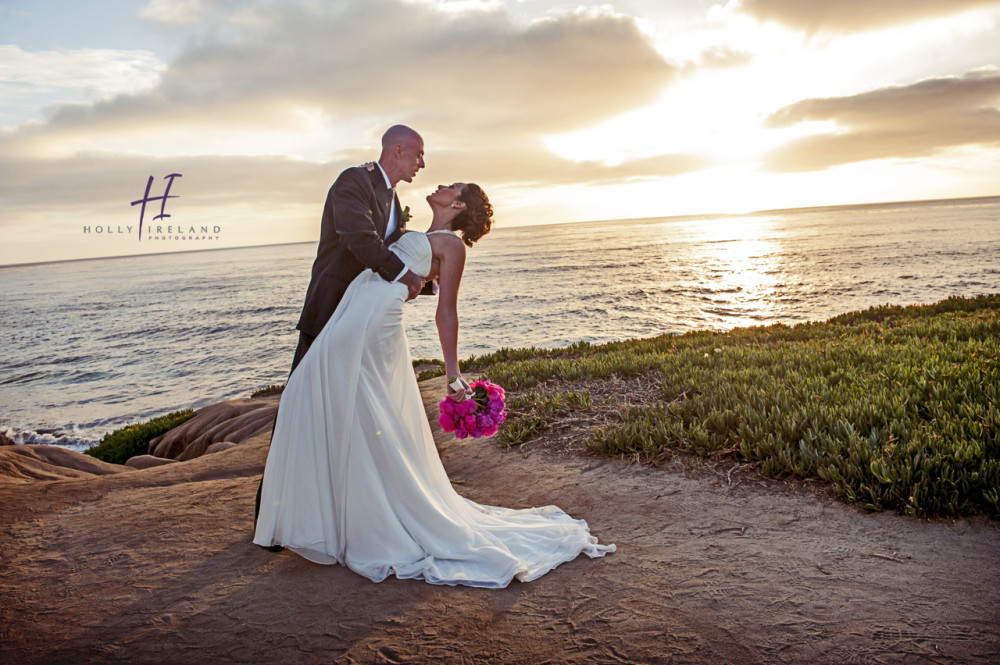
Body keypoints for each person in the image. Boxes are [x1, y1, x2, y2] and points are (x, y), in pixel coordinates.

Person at [253, 183, 615, 588]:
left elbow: (447, 312)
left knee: (323, 393)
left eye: (452, 188)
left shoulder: (453, 246)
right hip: (354, 313)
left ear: (458, 205)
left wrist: (452, 372)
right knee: (331, 400)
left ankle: (368, 519)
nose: (441, 185)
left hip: (372, 323)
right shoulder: (423, 234)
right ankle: (349, 514)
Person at [292, 124, 427, 373]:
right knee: (304, 389)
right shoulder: (354, 180)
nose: (422, 165)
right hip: (330, 307)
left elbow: (393, 250)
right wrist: (407, 277)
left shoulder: (393, 200)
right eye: (419, 154)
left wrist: (429, 276)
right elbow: (360, 240)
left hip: (359, 314)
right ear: (398, 150)